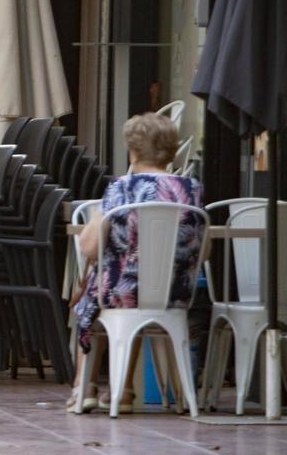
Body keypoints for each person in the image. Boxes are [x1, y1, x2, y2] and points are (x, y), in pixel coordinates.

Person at [69, 112, 205, 413]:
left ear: (132, 151)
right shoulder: (192, 190)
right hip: (176, 292)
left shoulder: (122, 188)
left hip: (123, 293)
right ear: (171, 151)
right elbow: (203, 252)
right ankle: (125, 390)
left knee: (100, 292)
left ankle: (84, 386)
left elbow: (89, 247)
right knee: (123, 290)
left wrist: (95, 218)